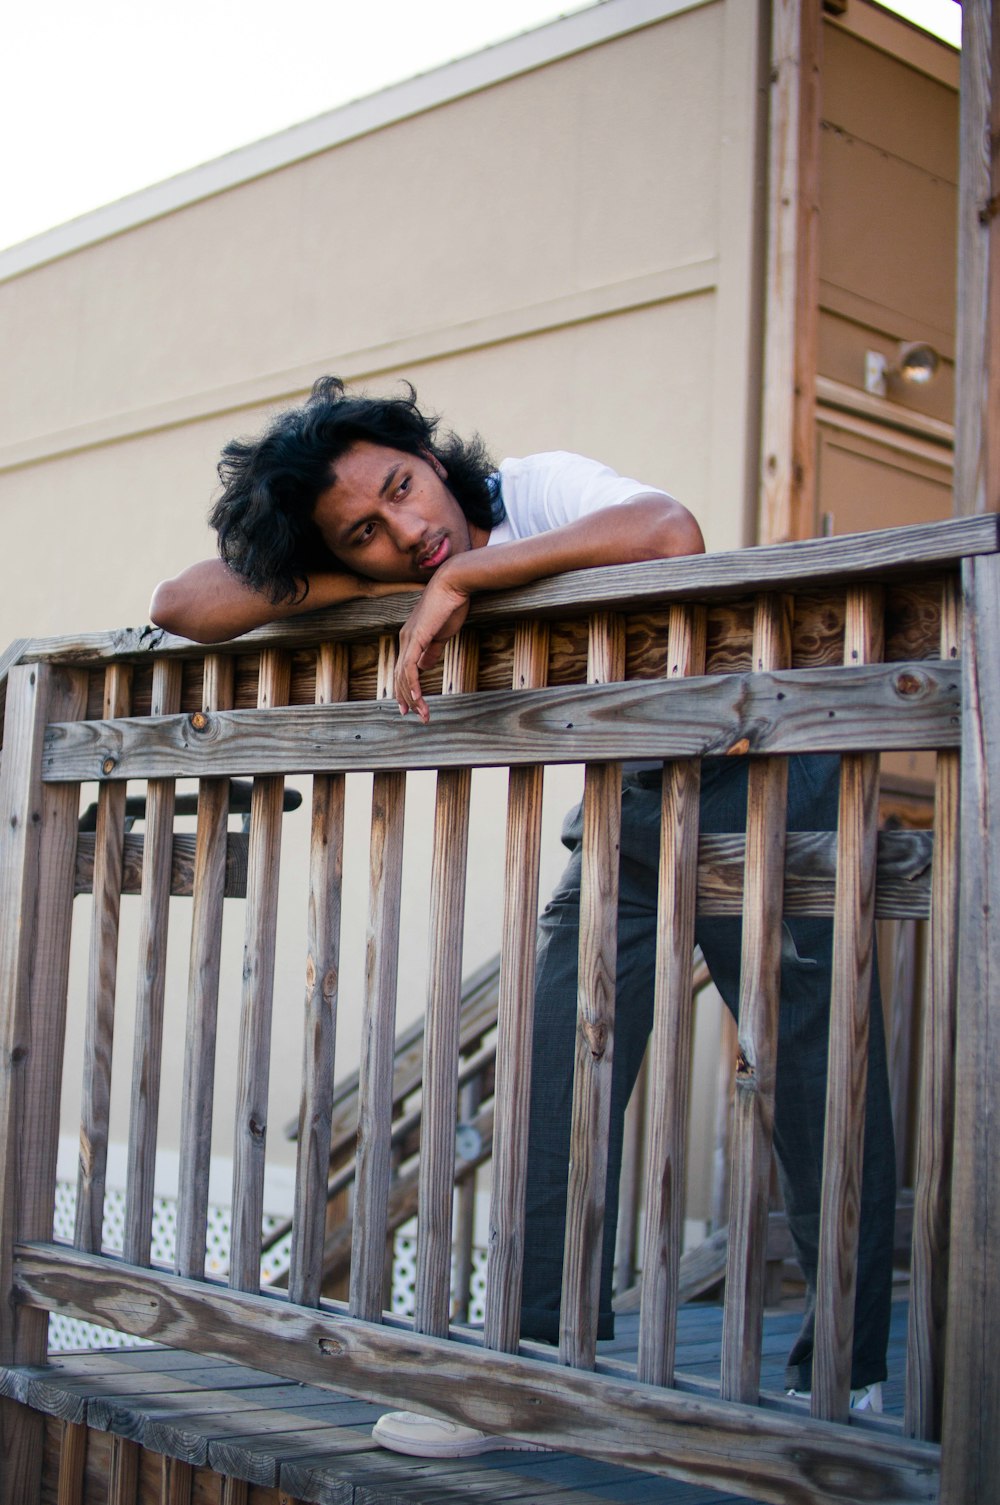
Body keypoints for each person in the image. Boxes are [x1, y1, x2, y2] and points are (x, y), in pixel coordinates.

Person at [150, 376, 895, 1457]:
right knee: (557, 1068)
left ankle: (853, 1376)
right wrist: (328, 583)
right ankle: (529, 1364)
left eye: (405, 489)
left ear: (433, 460)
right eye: (367, 530)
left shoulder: (536, 489)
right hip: (632, 801)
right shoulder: (373, 559)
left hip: (768, 772)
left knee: (809, 1071)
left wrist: (470, 576)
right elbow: (182, 603)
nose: (410, 529)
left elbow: (668, 531)